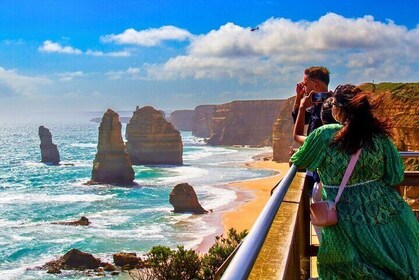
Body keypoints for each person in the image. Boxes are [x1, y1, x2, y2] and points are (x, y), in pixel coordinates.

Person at [290, 84, 419, 279]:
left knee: (347, 268)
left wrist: (296, 150)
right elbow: (394, 176)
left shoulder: (325, 134)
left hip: (346, 218)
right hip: (386, 214)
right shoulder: (379, 137)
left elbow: (301, 160)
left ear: (340, 109)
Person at [291, 66, 331, 190]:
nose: (303, 87)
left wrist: (303, 107)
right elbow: (298, 119)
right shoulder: (317, 104)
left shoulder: (328, 108)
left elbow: (300, 134)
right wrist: (299, 97)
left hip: (322, 173)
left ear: (315, 84)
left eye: (305, 84)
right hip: (316, 170)